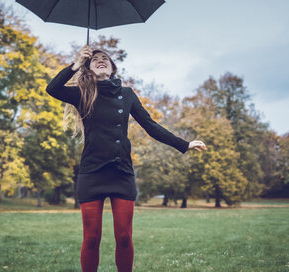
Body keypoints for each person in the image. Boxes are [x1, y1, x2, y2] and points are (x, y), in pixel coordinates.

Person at [46, 45, 206, 272]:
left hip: (121, 172)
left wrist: (184, 144)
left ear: (112, 68)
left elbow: (150, 126)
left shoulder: (127, 94)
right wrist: (74, 65)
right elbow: (52, 88)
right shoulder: (82, 93)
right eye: (95, 59)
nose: (100, 60)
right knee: (91, 238)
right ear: (88, 68)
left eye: (105, 59)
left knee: (123, 237)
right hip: (92, 173)